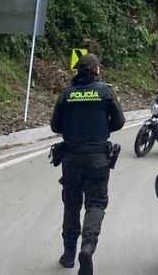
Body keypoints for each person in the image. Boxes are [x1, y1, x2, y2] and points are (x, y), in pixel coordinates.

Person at [50, 53, 125, 275]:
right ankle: (88, 246)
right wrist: (101, 129)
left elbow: (56, 126)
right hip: (98, 158)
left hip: (71, 158)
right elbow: (119, 122)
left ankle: (68, 254)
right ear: (96, 71)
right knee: (95, 203)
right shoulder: (105, 92)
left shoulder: (66, 94)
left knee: (71, 204)